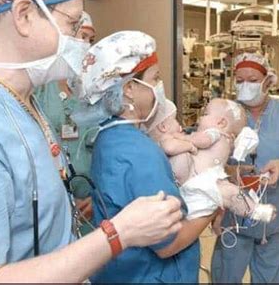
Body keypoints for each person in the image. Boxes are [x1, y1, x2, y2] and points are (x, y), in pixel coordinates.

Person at [0, 0, 182, 282]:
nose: (82, 48)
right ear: (24, 15)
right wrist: (119, 233)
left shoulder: (21, 98)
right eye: (73, 25)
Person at [73, 30, 216, 283]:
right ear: (129, 88)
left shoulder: (108, 138)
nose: (159, 87)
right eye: (155, 78)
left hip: (121, 271)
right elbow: (168, 243)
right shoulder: (138, 151)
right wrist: (213, 205)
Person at [211, 52, 279, 283]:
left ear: (268, 81)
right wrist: (229, 171)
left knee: (271, 275)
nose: (245, 85)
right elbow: (208, 157)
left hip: (274, 211)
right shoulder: (225, 112)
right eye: (239, 80)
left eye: (252, 79)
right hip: (233, 215)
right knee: (226, 274)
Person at [147, 98, 276, 222]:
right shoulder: (223, 138)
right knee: (231, 193)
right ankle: (254, 210)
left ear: (220, 123)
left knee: (231, 193)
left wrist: (187, 139)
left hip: (204, 179)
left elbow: (203, 142)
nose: (200, 117)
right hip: (199, 178)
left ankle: (254, 211)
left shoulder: (214, 133)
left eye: (205, 114)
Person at [34, 11, 97, 228]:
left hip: (95, 203)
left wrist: (99, 195)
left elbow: (110, 148)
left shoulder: (97, 91)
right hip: (52, 203)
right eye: (82, 36)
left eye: (91, 39)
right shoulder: (39, 88)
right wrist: (65, 199)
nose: (86, 45)